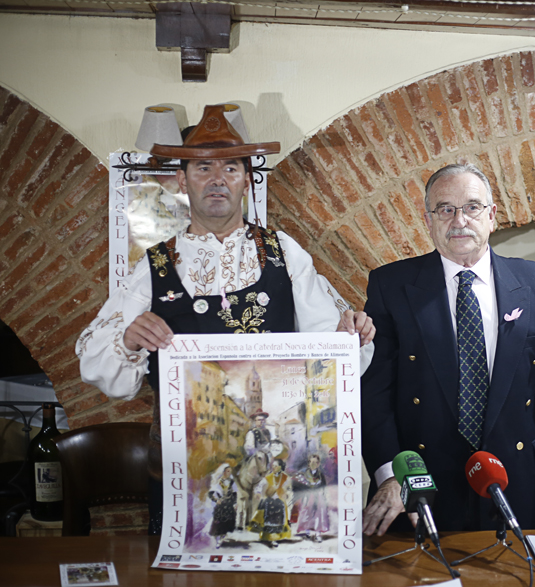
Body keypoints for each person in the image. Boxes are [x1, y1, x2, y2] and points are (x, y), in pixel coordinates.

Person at [76, 104, 375, 534]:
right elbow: (97, 365)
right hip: (185, 470)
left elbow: (332, 349)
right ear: (182, 180)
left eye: (231, 168)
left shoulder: (283, 252)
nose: (217, 179)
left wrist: (352, 336)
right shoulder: (155, 265)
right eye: (202, 168)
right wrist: (127, 339)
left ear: (247, 180)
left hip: (274, 467)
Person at [361, 163, 535, 536]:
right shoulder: (391, 285)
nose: (459, 220)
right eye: (445, 209)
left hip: (514, 479)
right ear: (429, 219)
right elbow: (375, 392)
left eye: (471, 207)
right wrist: (389, 475)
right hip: (420, 484)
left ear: (492, 215)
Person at [249, 459, 292, 547]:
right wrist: (257, 492)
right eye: (273, 466)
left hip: (280, 501)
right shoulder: (268, 477)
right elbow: (259, 486)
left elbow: (289, 489)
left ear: (280, 467)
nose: (274, 468)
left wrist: (287, 493)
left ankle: (275, 538)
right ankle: (267, 536)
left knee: (279, 517)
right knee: (267, 515)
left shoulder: (285, 477)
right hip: (269, 501)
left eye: (276, 466)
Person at [295, 453, 330, 542]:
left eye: (315, 462)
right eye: (311, 462)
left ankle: (318, 533)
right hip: (308, 496)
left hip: (318, 496)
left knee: (319, 513)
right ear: (308, 463)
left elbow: (323, 486)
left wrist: (324, 496)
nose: (313, 464)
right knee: (307, 512)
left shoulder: (320, 475)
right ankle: (308, 532)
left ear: (318, 464)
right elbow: (301, 486)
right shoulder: (304, 474)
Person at [208, 463, 237, 548]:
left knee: (227, 522)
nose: (229, 473)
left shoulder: (231, 482)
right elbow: (210, 494)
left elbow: (235, 494)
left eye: (230, 471)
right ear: (223, 472)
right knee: (218, 522)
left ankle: (222, 537)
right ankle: (217, 539)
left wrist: (235, 503)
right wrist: (216, 500)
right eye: (228, 471)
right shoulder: (217, 482)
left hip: (229, 505)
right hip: (221, 506)